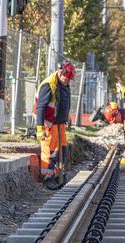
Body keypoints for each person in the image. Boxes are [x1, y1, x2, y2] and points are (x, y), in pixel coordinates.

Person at [33, 60, 75, 190]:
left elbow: (63, 102)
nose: (67, 81)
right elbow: (40, 107)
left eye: (69, 79)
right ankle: (48, 177)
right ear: (60, 72)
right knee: (50, 151)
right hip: (48, 122)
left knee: (61, 149)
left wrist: (66, 116)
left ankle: (57, 173)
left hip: (59, 122)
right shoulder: (48, 85)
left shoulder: (63, 83)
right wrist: (40, 128)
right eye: (66, 78)